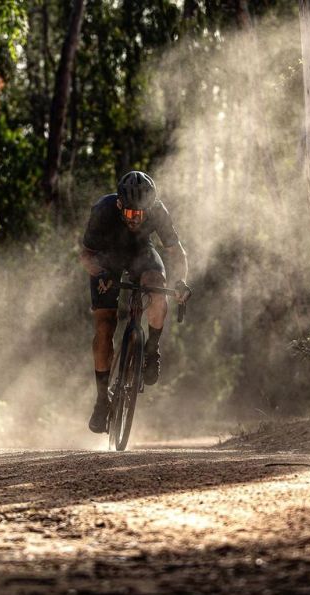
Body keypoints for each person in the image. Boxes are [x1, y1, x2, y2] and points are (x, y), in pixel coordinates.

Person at [80, 170, 190, 434]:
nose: (135, 220)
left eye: (141, 214)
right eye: (130, 214)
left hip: (142, 254)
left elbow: (177, 253)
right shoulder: (103, 210)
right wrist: (101, 273)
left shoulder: (158, 211)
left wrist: (181, 283)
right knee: (104, 327)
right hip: (108, 259)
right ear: (119, 205)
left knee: (157, 287)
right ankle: (101, 400)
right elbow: (86, 255)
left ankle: (152, 350)